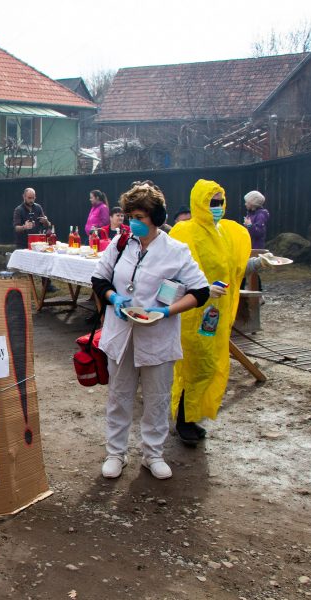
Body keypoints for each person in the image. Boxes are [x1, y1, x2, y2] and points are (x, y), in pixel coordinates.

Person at [89, 182, 209, 480]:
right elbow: (99, 279)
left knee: (157, 397)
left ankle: (152, 454)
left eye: (139, 217)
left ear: (156, 217)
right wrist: (114, 298)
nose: (132, 223)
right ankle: (116, 453)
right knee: (119, 395)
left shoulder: (176, 251)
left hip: (158, 335)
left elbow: (201, 291)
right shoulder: (120, 244)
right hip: (122, 333)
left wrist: (166, 311)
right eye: (130, 216)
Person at [169, 179, 269, 446]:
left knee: (211, 366)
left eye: (219, 202)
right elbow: (172, 273)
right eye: (210, 202)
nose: (216, 207)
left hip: (217, 315)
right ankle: (183, 420)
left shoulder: (228, 232)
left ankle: (194, 416)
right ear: (198, 203)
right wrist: (201, 289)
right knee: (193, 366)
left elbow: (234, 270)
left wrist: (259, 262)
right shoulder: (185, 232)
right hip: (193, 312)